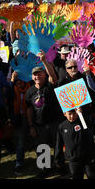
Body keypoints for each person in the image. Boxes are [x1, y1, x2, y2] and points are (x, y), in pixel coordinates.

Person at [25, 50, 62, 178]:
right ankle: (45, 169)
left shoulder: (50, 85)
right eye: (35, 75)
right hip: (39, 125)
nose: (37, 76)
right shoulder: (29, 91)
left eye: (39, 74)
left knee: (58, 146)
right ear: (32, 76)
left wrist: (45, 62)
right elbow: (29, 109)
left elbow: (54, 77)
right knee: (42, 147)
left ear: (44, 75)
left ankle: (59, 166)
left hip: (54, 122)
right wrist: (31, 126)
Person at [54, 107, 95, 179]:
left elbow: (89, 132)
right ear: (64, 114)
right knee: (76, 176)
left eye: (74, 113)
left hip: (87, 156)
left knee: (92, 175)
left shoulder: (82, 122)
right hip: (73, 159)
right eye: (70, 114)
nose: (72, 116)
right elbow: (59, 144)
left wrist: (81, 116)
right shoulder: (62, 126)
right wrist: (57, 159)